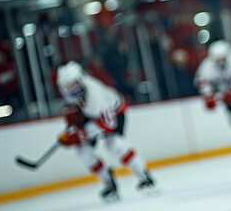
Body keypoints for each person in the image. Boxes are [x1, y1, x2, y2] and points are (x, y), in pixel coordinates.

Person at [56, 61, 156, 201]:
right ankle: (108, 181)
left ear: (81, 80)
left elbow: (108, 124)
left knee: (113, 144)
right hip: (91, 116)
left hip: (114, 111)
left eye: (73, 84)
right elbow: (74, 116)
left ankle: (144, 175)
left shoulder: (96, 96)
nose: (70, 89)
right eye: (67, 86)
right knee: (82, 152)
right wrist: (71, 131)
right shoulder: (74, 95)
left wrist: (83, 134)